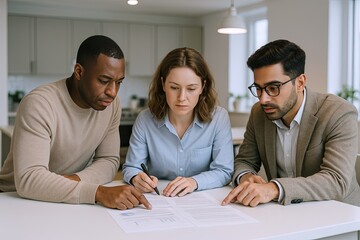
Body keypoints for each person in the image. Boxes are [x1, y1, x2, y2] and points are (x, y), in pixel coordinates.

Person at [0, 35, 151, 210]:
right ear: (79, 71)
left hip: (65, 200)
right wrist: (98, 193)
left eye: (119, 82)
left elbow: (109, 160)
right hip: (14, 200)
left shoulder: (111, 105)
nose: (112, 92)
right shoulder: (40, 103)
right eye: (103, 81)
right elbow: (30, 179)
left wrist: (76, 180)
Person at [222, 39, 360, 207]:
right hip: (286, 213)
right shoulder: (259, 113)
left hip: (339, 214)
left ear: (300, 83)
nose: (263, 99)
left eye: (273, 88)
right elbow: (244, 160)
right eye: (258, 88)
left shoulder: (338, 112)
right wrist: (245, 176)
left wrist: (274, 188)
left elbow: (336, 180)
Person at [122, 47, 234, 197]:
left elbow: (224, 171)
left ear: (203, 87)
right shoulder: (145, 120)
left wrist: (194, 182)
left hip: (203, 200)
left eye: (191, 89)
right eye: (174, 87)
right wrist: (137, 178)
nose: (182, 97)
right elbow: (131, 167)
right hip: (159, 199)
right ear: (163, 84)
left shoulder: (219, 118)